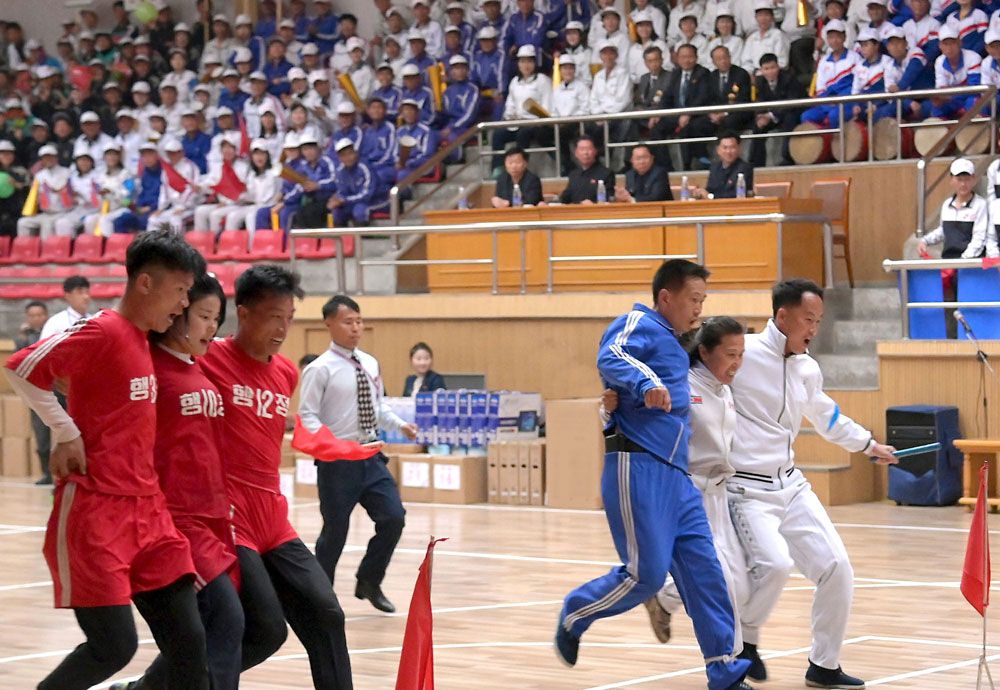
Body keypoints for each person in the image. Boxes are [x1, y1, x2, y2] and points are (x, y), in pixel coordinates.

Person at [4, 230, 210, 690]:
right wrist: (66, 431)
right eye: (180, 290)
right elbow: (21, 367)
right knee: (114, 647)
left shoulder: (143, 339)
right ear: (145, 283)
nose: (183, 304)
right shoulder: (102, 329)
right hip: (97, 509)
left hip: (150, 513)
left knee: (190, 644)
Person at [555, 259, 752, 690]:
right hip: (637, 466)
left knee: (706, 572)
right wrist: (646, 384)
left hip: (678, 477)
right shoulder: (638, 323)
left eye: (703, 300)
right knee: (645, 575)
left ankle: (724, 669)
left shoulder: (676, 344)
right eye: (693, 299)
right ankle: (576, 612)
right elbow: (612, 355)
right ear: (666, 297)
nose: (698, 309)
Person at [727, 279, 898, 687]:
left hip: (791, 486)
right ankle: (743, 641)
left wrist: (868, 444)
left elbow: (827, 416)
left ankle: (824, 665)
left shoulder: (807, 368)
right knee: (774, 566)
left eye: (819, 321)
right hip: (745, 490)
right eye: (808, 320)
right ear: (782, 316)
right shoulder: (740, 354)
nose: (815, 329)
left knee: (837, 568)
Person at [199, 265, 354, 689]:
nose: (283, 329)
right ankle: (160, 684)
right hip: (230, 517)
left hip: (273, 517)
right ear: (244, 313)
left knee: (327, 613)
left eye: (289, 318)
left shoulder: (286, 372)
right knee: (265, 630)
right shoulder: (207, 358)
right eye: (273, 317)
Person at [120, 274, 244, 690]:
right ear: (176, 313)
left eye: (217, 318)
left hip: (213, 516)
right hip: (174, 521)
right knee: (225, 618)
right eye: (204, 316)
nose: (212, 326)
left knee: (216, 632)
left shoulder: (198, 365)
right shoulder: (146, 367)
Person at [601, 318, 749, 653]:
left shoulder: (725, 390)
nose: (737, 363)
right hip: (686, 491)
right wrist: (607, 410)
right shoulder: (679, 384)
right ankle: (731, 661)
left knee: (737, 583)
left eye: (741, 355)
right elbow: (628, 418)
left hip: (719, 496)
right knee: (721, 582)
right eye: (730, 355)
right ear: (704, 352)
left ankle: (665, 602)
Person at [300, 295, 418, 613]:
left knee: (393, 518)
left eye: (359, 321)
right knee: (335, 532)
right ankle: (320, 597)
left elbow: (378, 406)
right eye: (347, 321)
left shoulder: (370, 363)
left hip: (369, 454)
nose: (355, 328)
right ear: (329, 324)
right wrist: (330, 443)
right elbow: (307, 415)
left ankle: (369, 580)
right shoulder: (319, 369)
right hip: (337, 461)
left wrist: (400, 425)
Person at [14, 301, 52, 485]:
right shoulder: (24, 338)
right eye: (32, 315)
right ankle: (47, 473)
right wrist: (22, 337)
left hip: (57, 391)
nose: (36, 318)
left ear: (46, 315)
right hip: (37, 393)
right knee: (41, 435)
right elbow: (18, 361)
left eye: (39, 314)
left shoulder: (53, 332)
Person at [661, 44, 715, 170]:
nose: (686, 60)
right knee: (656, 130)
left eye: (690, 57)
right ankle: (666, 166)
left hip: (696, 114)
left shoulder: (703, 73)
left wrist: (688, 113)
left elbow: (703, 97)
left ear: (696, 58)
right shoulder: (675, 73)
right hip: (677, 115)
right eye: (683, 57)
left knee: (688, 129)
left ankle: (687, 166)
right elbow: (667, 96)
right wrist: (658, 113)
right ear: (677, 58)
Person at [800, 20, 860, 127]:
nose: (834, 40)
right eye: (831, 37)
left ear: (844, 37)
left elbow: (858, 84)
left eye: (838, 37)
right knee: (806, 116)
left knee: (834, 116)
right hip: (827, 101)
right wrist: (827, 100)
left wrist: (838, 99)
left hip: (847, 101)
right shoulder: (824, 60)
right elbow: (821, 86)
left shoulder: (854, 57)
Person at [750, 53, 806, 167]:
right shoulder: (760, 81)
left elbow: (791, 103)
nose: (770, 71)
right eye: (766, 69)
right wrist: (761, 115)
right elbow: (760, 101)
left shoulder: (789, 78)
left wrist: (770, 115)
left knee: (789, 120)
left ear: (778, 67)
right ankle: (756, 163)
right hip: (774, 114)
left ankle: (787, 158)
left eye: (773, 67)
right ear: (761, 70)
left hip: (794, 111)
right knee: (757, 126)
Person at [15, 145, 73, 239]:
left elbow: (68, 192)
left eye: (50, 157)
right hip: (45, 213)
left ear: (56, 158)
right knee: (22, 222)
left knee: (47, 225)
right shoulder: (39, 175)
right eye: (45, 158)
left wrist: (56, 191)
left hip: (62, 212)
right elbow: (35, 196)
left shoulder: (67, 172)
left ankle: (45, 249)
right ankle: (25, 247)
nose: (48, 160)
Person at [694, 132, 754, 200]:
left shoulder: (745, 168)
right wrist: (700, 193)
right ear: (718, 150)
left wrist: (710, 197)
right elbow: (710, 190)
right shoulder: (714, 167)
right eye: (725, 148)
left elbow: (735, 195)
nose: (728, 151)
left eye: (732, 147)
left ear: (739, 149)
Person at [707, 45, 753, 134]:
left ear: (730, 57)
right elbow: (709, 99)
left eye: (725, 57)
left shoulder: (741, 74)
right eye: (719, 59)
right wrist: (711, 114)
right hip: (716, 114)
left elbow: (743, 99)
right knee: (698, 125)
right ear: (713, 62)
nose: (723, 61)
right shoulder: (712, 76)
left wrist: (724, 114)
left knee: (729, 122)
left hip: (737, 112)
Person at [558, 136, 616, 204]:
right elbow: (565, 197)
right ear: (576, 153)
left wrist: (593, 203)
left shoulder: (606, 173)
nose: (585, 153)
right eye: (582, 149)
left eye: (589, 149)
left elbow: (609, 198)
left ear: (595, 151)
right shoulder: (574, 175)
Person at [41, 276, 93, 340]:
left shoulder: (93, 320)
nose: (86, 297)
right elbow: (43, 344)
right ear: (68, 296)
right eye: (80, 292)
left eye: (87, 292)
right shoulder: (55, 322)